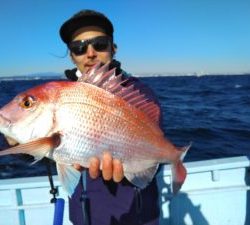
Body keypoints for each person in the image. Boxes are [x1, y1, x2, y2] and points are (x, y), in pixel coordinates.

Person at [59, 9, 161, 225]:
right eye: (79, 47)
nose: (90, 53)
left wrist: (138, 161)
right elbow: (34, 149)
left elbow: (154, 148)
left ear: (113, 48)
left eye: (100, 44)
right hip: (83, 215)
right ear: (71, 55)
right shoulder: (60, 96)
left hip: (137, 215)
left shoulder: (141, 94)